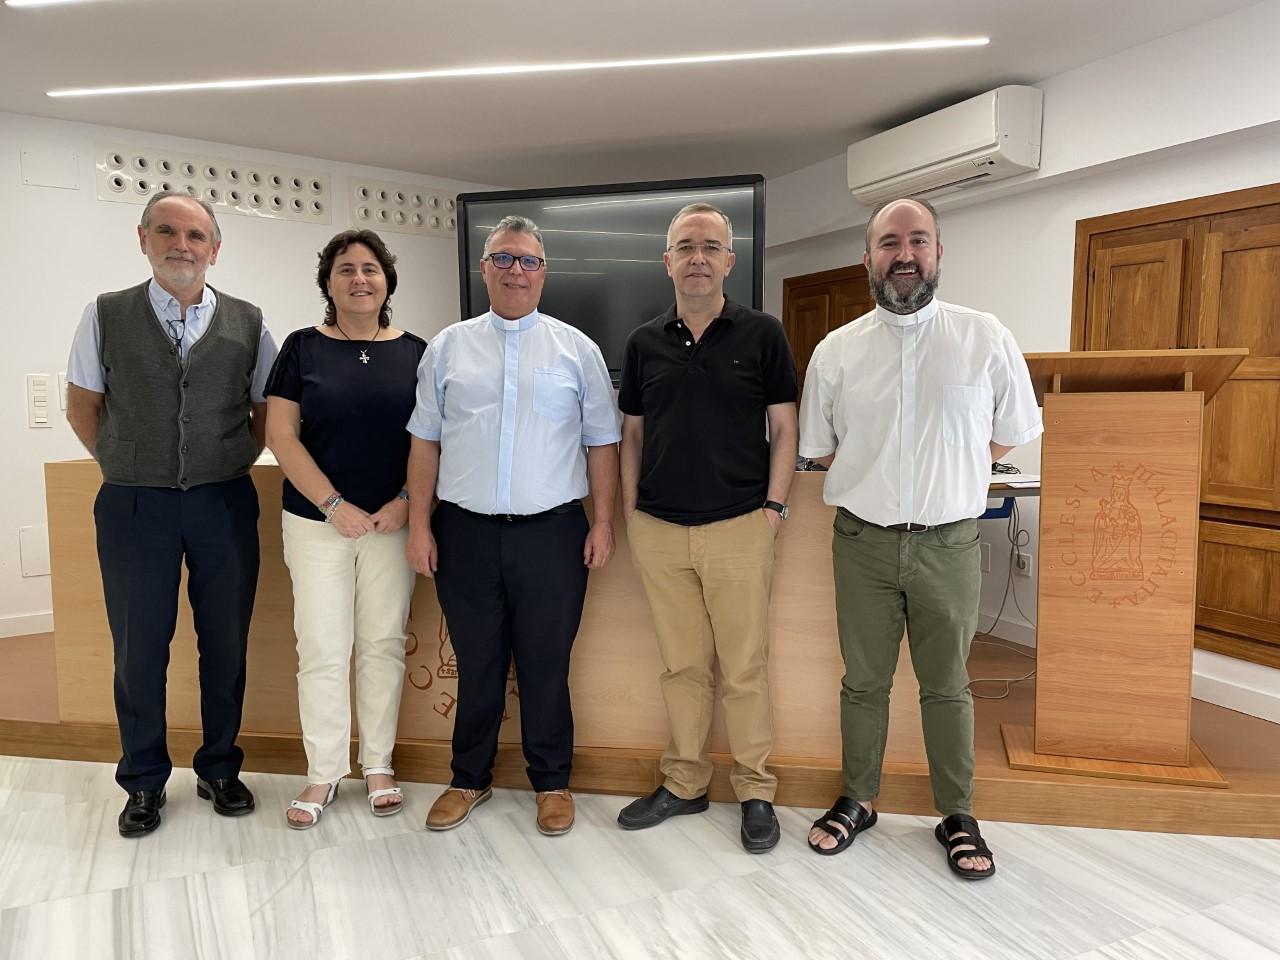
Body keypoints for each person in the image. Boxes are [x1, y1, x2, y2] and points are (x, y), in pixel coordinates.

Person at [798, 197, 1042, 880]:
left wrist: (956, 471)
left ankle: (957, 813)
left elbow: (1008, 431)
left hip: (950, 544)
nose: (903, 255)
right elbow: (817, 451)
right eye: (888, 243)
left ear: (938, 252)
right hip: (864, 544)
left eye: (918, 240)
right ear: (868, 258)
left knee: (948, 686)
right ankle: (858, 799)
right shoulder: (835, 351)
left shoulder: (984, 337)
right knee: (864, 683)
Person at [65, 191, 278, 837]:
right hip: (134, 504)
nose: (180, 244)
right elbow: (82, 405)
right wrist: (126, 460)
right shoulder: (105, 314)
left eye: (195, 235)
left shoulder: (248, 320)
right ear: (144, 239)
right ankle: (143, 780)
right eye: (167, 231)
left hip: (224, 501)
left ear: (215, 249)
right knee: (138, 648)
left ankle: (219, 768)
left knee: (225, 644)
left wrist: (235, 453)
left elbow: (268, 409)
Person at [405, 214, 620, 837]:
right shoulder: (447, 347)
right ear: (484, 269)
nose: (515, 270)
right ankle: (468, 778)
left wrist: (601, 523)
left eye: (527, 260)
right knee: (478, 663)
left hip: (552, 534)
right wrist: (420, 526)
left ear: (543, 272)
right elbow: (425, 442)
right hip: (464, 533)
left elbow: (602, 444)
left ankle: (551, 782)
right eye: (503, 259)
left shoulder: (578, 350)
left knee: (547, 663)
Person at [615, 202, 798, 853]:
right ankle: (686, 784)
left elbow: (784, 428)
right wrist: (634, 511)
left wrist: (774, 508)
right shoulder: (642, 343)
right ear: (667, 262)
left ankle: (755, 791)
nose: (697, 257)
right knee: (682, 667)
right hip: (660, 530)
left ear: (729, 260)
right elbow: (631, 437)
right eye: (685, 246)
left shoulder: (764, 335)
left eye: (709, 246)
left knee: (745, 667)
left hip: (741, 526)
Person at [265, 229, 426, 829]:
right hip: (316, 522)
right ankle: (324, 771)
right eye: (345, 269)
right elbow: (280, 436)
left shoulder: (416, 351)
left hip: (391, 520)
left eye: (370, 269)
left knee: (383, 644)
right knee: (323, 648)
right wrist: (335, 506)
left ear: (386, 281)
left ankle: (379, 764)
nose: (359, 278)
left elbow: (429, 439)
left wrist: (407, 501)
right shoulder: (303, 348)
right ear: (327, 282)